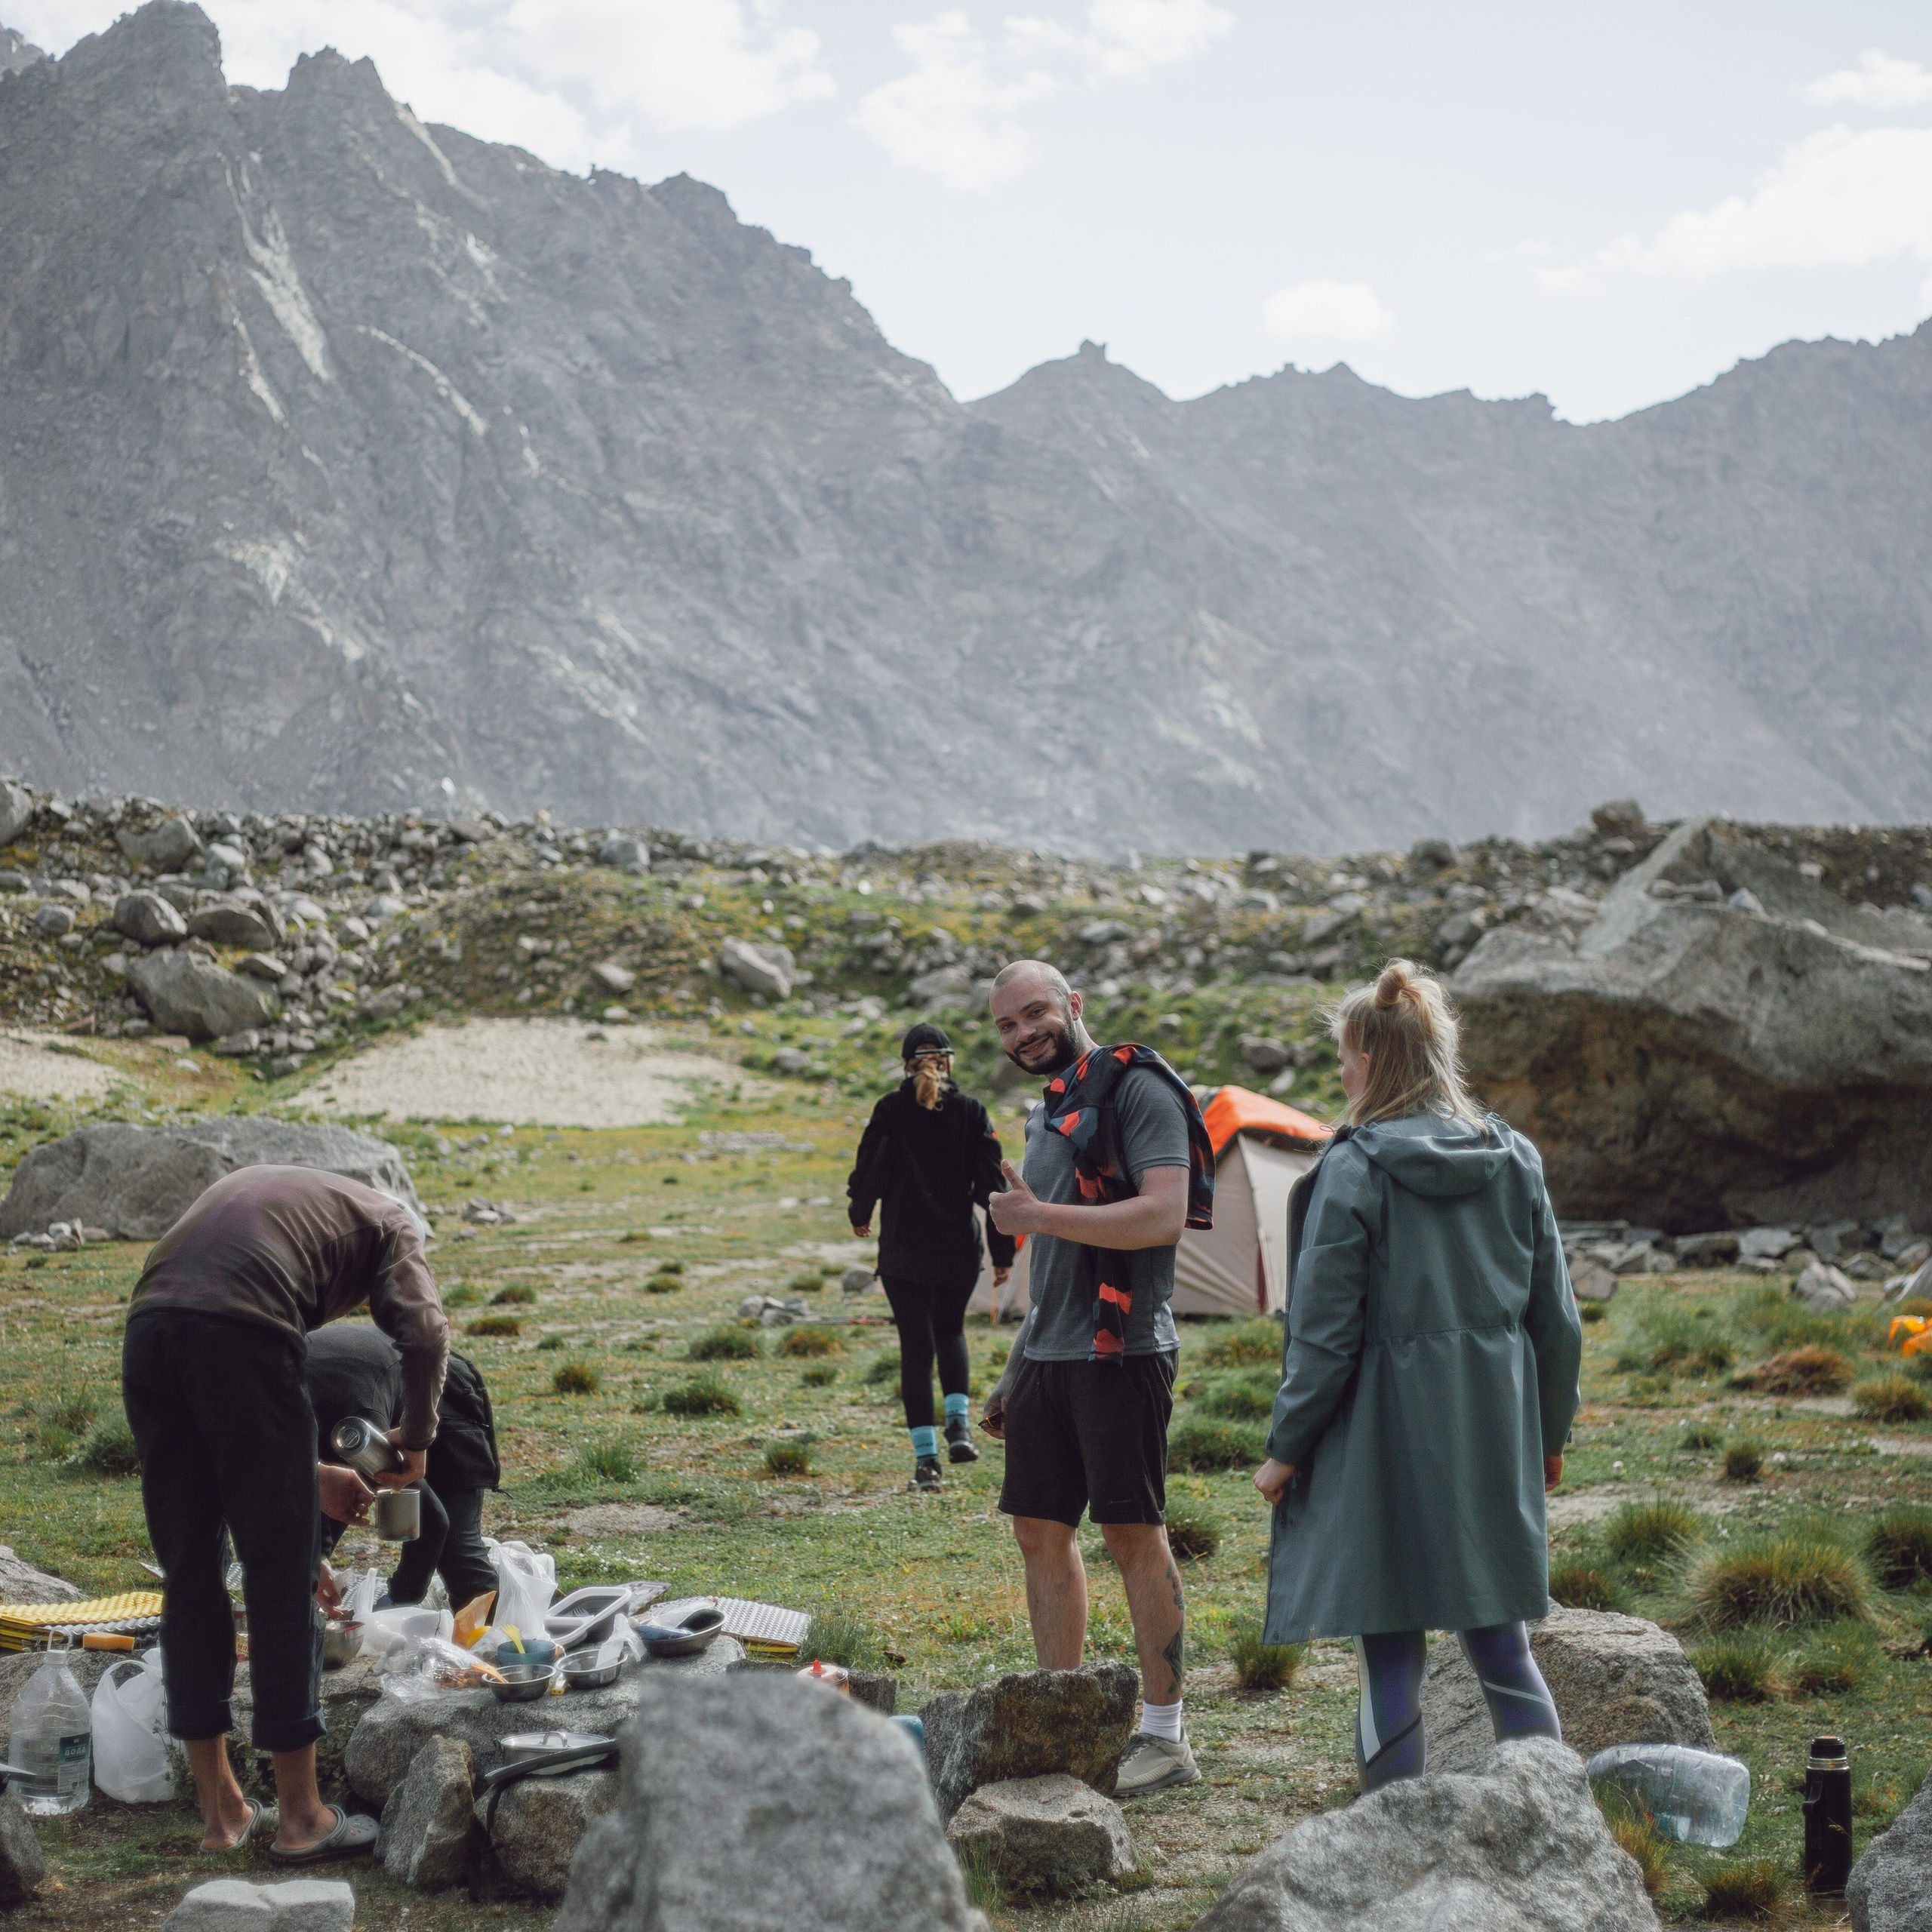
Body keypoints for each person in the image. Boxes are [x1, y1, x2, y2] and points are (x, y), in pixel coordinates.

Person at [1251, 960, 1583, 1794]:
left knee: (1390, 1650)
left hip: (1383, 1437)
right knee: (1502, 1644)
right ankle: (1554, 1819)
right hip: (1492, 1429)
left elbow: (1323, 1337)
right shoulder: (1514, 1156)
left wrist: (1285, 1451)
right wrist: (1548, 1435)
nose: (1340, 1074)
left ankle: (1394, 1837)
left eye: (1343, 1059)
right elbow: (1557, 1321)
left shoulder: (1354, 1167)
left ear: (1369, 1062)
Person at [120, 1166, 449, 1863]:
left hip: (150, 1330)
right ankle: (302, 1819)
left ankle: (222, 1813)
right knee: (281, 1577)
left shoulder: (288, 1197)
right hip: (244, 1327)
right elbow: (425, 1333)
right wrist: (417, 1439)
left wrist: (305, 1477)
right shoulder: (392, 1224)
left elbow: (224, 1435)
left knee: (191, 1575)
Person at [982, 961, 1215, 1797]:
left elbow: (1162, 1216)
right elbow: (1055, 1262)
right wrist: (1017, 1368)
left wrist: (1035, 1216)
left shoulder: (1139, 1088)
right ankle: (1065, 1717)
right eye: (1007, 1026)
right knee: (1039, 1534)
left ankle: (1165, 1737)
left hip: (1123, 1353)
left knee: (1131, 1534)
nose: (1023, 1034)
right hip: (1049, 1357)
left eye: (1035, 1013)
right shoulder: (1051, 1108)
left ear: (1073, 1004)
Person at [848, 1022, 1017, 1491]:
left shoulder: (889, 1109)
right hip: (958, 1249)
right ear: (949, 1063)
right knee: (950, 1331)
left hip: (903, 1250)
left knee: (916, 1349)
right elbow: (993, 1187)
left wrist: (860, 1213)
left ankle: (926, 1463)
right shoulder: (971, 1111)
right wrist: (1002, 1251)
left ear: (907, 1065)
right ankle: (960, 1428)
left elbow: (869, 1168)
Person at [305, 1326, 501, 1611]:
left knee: (458, 1554)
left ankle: (491, 1636)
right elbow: (316, 1487)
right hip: (367, 1381)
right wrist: (317, 1557)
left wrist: (399, 1600)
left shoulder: (357, 1434)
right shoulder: (264, 1420)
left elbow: (432, 1521)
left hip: (441, 1390)